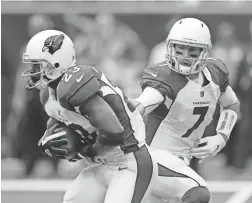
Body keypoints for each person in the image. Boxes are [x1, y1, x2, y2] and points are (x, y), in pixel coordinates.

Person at [21, 29, 157, 203]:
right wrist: (53, 139)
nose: (32, 71)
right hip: (101, 164)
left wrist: (86, 151)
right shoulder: (48, 95)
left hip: (130, 160)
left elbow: (114, 132)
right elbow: (60, 121)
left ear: (55, 63)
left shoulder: (73, 83)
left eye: (36, 65)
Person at [133, 18, 240, 203]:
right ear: (170, 47)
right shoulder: (165, 79)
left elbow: (231, 104)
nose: (184, 55)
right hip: (154, 159)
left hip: (178, 163)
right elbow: (139, 106)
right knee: (198, 193)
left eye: (192, 50)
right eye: (179, 49)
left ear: (205, 50)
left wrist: (221, 136)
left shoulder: (215, 73)